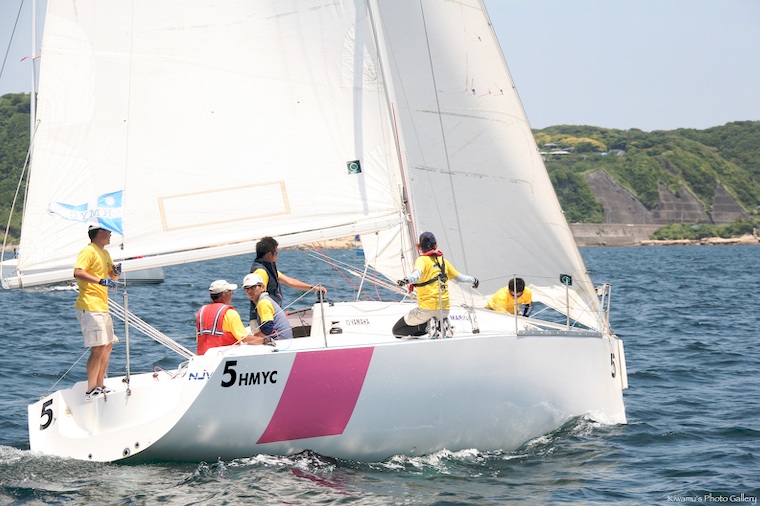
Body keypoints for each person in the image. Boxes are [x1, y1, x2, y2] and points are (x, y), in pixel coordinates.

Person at [393, 231, 478, 338]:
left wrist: (406, 280)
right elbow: (460, 278)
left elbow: (416, 275)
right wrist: (473, 280)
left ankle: (429, 325)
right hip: (445, 310)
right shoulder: (444, 262)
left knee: (397, 331)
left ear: (419, 247)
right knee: (433, 317)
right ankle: (440, 324)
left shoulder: (422, 260)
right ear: (436, 245)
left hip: (426, 310)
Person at [73, 224, 121, 402]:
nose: (111, 234)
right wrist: (101, 281)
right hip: (90, 305)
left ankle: (100, 385)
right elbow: (78, 272)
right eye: (109, 231)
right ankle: (91, 389)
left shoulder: (105, 253)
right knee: (98, 347)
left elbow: (113, 277)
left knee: (107, 346)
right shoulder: (89, 251)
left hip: (102, 306)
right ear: (100, 233)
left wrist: (115, 272)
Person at [248, 236, 327, 325]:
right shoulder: (261, 272)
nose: (277, 256)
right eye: (276, 253)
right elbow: (258, 297)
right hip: (265, 319)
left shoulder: (268, 269)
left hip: (270, 316)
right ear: (269, 254)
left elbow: (289, 281)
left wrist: (313, 288)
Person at [196, 280, 266, 355]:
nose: (231, 295)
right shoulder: (230, 313)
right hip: (224, 356)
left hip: (203, 356)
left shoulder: (201, 312)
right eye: (230, 292)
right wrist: (265, 340)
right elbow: (245, 338)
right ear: (224, 296)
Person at [242, 273, 294, 340]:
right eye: (246, 288)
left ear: (262, 287)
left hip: (280, 341)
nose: (249, 291)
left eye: (253, 287)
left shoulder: (263, 302)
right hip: (285, 339)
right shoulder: (265, 300)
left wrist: (252, 338)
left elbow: (267, 329)